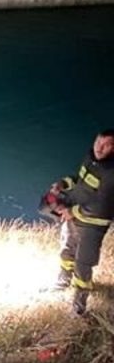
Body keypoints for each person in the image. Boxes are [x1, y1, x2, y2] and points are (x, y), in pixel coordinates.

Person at [49, 129, 114, 315]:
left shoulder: (111, 174)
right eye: (97, 142)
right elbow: (81, 180)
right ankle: (63, 281)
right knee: (67, 249)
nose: (99, 148)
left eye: (106, 145)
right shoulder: (91, 157)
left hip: (93, 223)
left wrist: (72, 211)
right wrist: (64, 183)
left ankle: (79, 305)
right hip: (74, 214)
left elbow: (101, 206)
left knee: (83, 262)